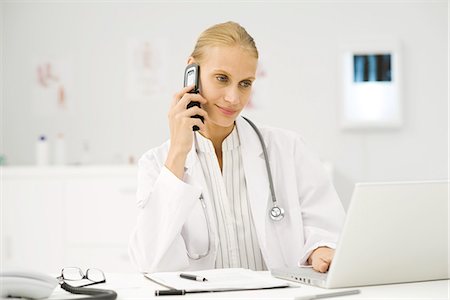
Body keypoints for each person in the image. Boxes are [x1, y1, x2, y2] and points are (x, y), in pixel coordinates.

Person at [129, 21, 345, 274]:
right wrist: (178, 151)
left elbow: (327, 228)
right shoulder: (156, 164)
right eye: (222, 78)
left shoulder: (289, 149)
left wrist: (322, 248)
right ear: (193, 71)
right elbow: (147, 261)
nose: (234, 98)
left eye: (245, 83)